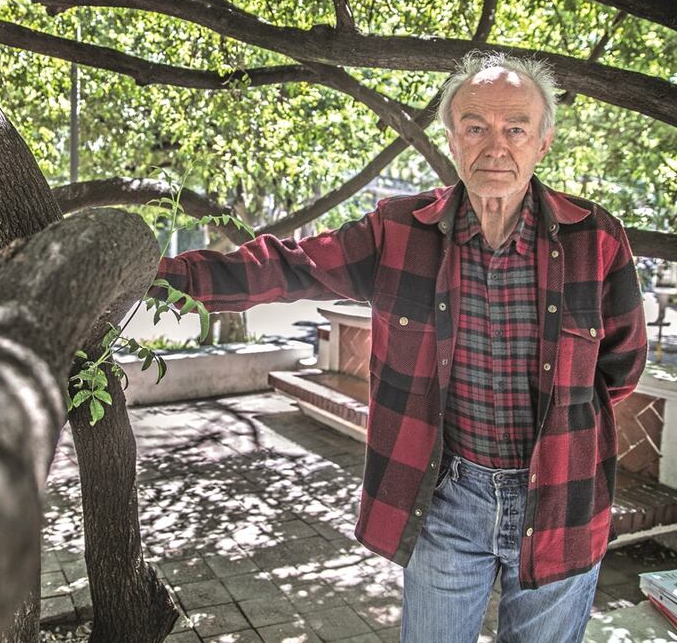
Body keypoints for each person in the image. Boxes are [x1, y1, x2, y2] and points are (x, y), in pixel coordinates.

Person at [153, 51, 647, 642]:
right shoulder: (399, 229)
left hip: (562, 499)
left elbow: (620, 368)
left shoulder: (596, 238)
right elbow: (291, 267)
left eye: (516, 129)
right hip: (447, 499)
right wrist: (158, 277)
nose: (496, 146)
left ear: (543, 143)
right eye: (475, 127)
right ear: (452, 140)